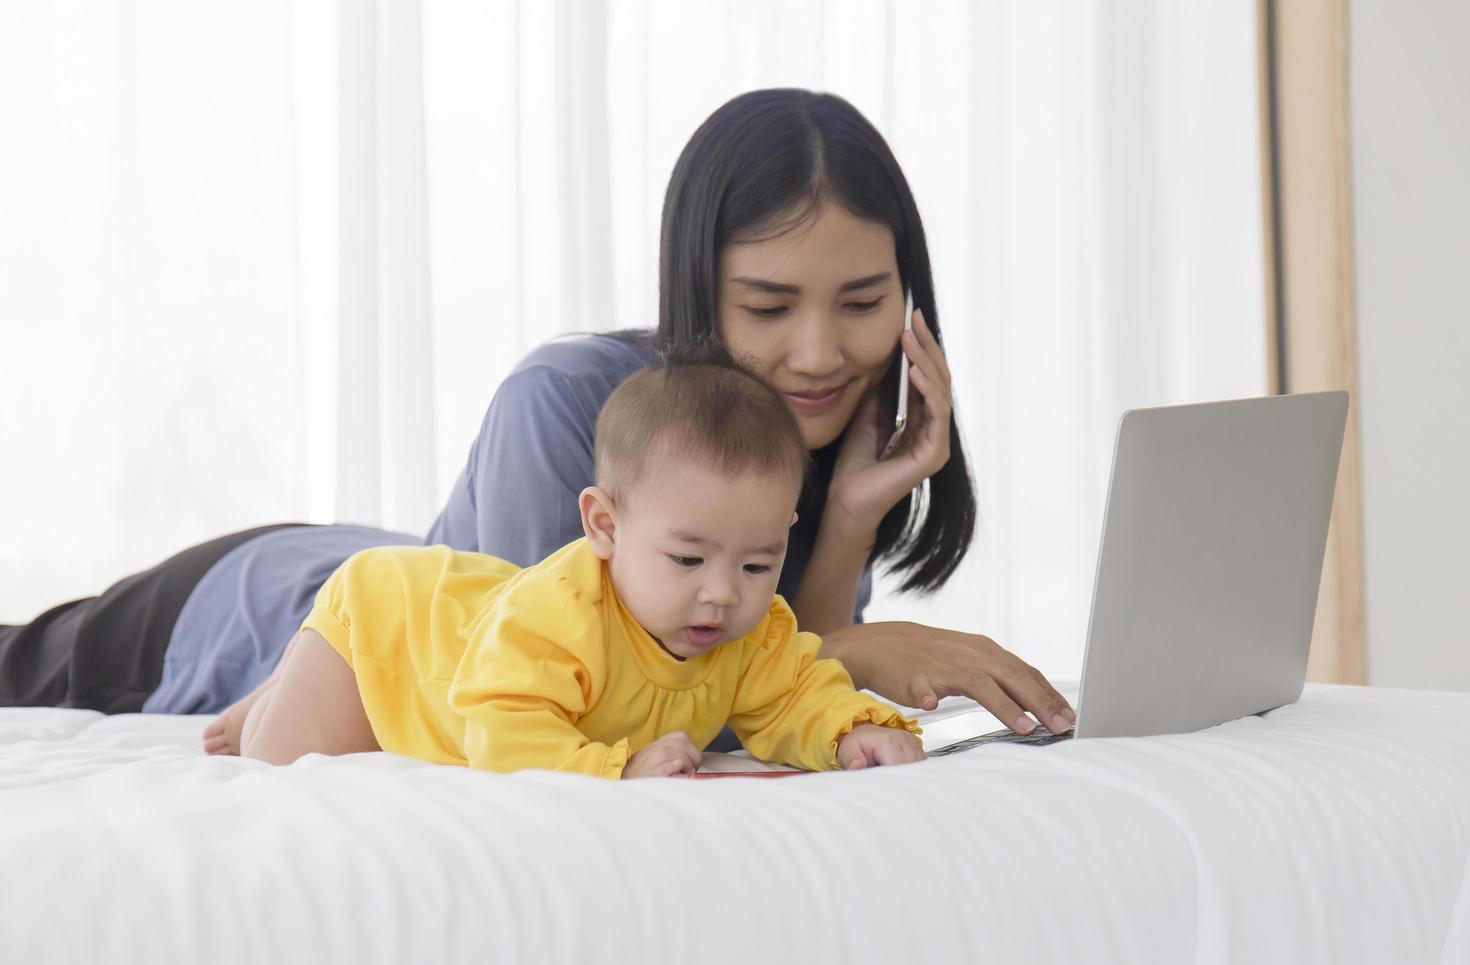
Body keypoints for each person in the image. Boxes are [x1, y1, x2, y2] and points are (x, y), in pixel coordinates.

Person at [0, 88, 1076, 742]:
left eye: (861, 303)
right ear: (697, 290)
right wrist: (866, 649)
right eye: (766, 303)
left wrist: (845, 517)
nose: (818, 351)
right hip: (249, 618)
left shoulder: (826, 432)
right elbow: (546, 698)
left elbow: (759, 666)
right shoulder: (564, 401)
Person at [229, 352, 925, 777]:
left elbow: (795, 695)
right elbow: (501, 727)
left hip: (454, 624)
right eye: (687, 558)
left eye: (758, 564)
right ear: (604, 526)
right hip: (391, 630)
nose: (721, 594)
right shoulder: (561, 616)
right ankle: (280, 689)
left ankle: (282, 687)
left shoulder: (751, 630)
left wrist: (853, 732)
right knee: (283, 770)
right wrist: (612, 771)